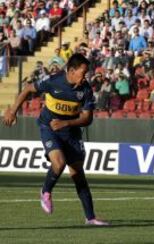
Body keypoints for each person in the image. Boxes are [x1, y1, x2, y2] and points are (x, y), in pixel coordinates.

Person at [2, 53, 109, 226]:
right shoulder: (53, 81)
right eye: (83, 73)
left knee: (78, 175)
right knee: (58, 163)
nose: (85, 77)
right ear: (72, 71)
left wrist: (66, 122)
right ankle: (45, 191)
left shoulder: (86, 90)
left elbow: (87, 119)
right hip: (49, 127)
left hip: (71, 132)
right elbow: (29, 89)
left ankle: (91, 218)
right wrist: (13, 111)